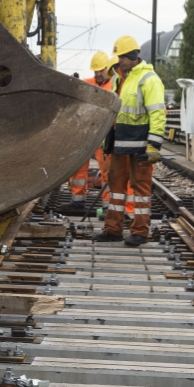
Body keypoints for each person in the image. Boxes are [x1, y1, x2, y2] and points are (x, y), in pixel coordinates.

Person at [97, 36, 166, 246]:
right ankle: (112, 229)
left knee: (141, 190)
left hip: (140, 146)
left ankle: (139, 232)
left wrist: (153, 145)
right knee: (116, 187)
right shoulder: (119, 79)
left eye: (122, 57)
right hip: (120, 144)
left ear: (132, 56)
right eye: (118, 57)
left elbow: (157, 115)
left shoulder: (149, 79)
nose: (119, 61)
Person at [68, 51, 116, 208]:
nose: (98, 74)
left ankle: (107, 205)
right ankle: (78, 200)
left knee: (107, 171)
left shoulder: (114, 86)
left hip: (104, 135)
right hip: (87, 134)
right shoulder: (88, 83)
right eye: (96, 71)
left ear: (108, 68)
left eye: (101, 70)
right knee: (79, 167)